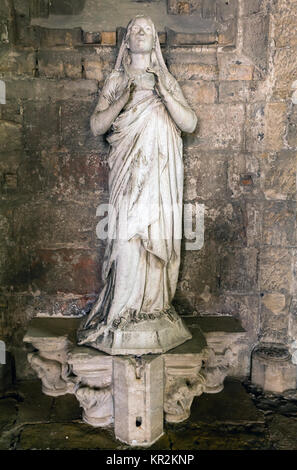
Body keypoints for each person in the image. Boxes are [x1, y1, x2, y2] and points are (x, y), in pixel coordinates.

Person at [77, 15, 197, 352]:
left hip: (159, 176)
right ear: (127, 41)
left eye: (146, 29)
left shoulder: (165, 79)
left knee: (155, 234)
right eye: (135, 29)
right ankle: (122, 311)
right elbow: (97, 126)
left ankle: (154, 309)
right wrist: (121, 99)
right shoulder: (117, 79)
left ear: (154, 40)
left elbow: (189, 122)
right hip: (128, 174)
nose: (140, 33)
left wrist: (165, 94)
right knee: (127, 236)